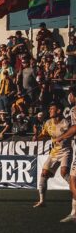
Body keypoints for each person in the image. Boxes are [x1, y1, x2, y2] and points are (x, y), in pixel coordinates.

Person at [51, 87, 76, 222]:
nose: (69, 97)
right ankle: (74, 213)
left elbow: (75, 127)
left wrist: (61, 137)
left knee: (73, 179)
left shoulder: (74, 109)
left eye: (70, 94)